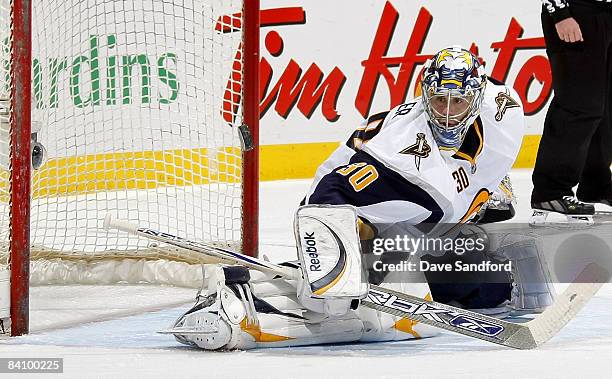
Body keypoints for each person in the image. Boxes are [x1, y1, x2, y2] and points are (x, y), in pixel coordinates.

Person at [168, 47, 552, 350]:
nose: (449, 115)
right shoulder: (403, 154)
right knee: (360, 305)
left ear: (478, 97)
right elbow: (326, 197)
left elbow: (475, 176)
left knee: (488, 277)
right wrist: (341, 252)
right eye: (439, 102)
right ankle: (245, 296)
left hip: (419, 226)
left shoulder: (504, 109)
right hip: (348, 211)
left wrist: (486, 195)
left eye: (459, 102)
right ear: (424, 96)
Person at [531, 0, 612, 223]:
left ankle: (597, 186)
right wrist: (559, 12)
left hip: (606, 13)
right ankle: (550, 192)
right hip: (576, 12)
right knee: (578, 105)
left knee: (605, 109)